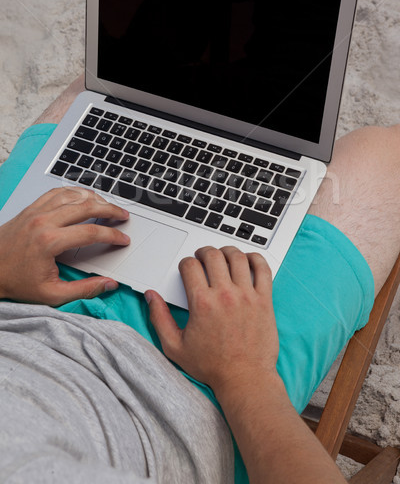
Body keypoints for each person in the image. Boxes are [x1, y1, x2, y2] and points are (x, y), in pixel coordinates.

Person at [0, 74, 399, 483]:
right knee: (385, 154)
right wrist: (245, 372)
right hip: (192, 387)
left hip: (11, 288)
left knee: (104, 88)